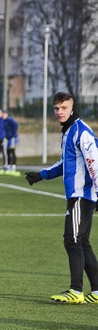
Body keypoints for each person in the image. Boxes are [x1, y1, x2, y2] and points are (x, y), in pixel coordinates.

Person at [25, 91, 98, 304]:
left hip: (81, 195)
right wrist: (42, 175)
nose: (59, 112)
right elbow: (67, 163)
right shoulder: (68, 131)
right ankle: (96, 291)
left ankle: (76, 291)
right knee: (82, 242)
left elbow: (94, 163)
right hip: (79, 195)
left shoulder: (81, 132)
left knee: (72, 240)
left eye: (64, 108)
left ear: (72, 108)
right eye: (56, 108)